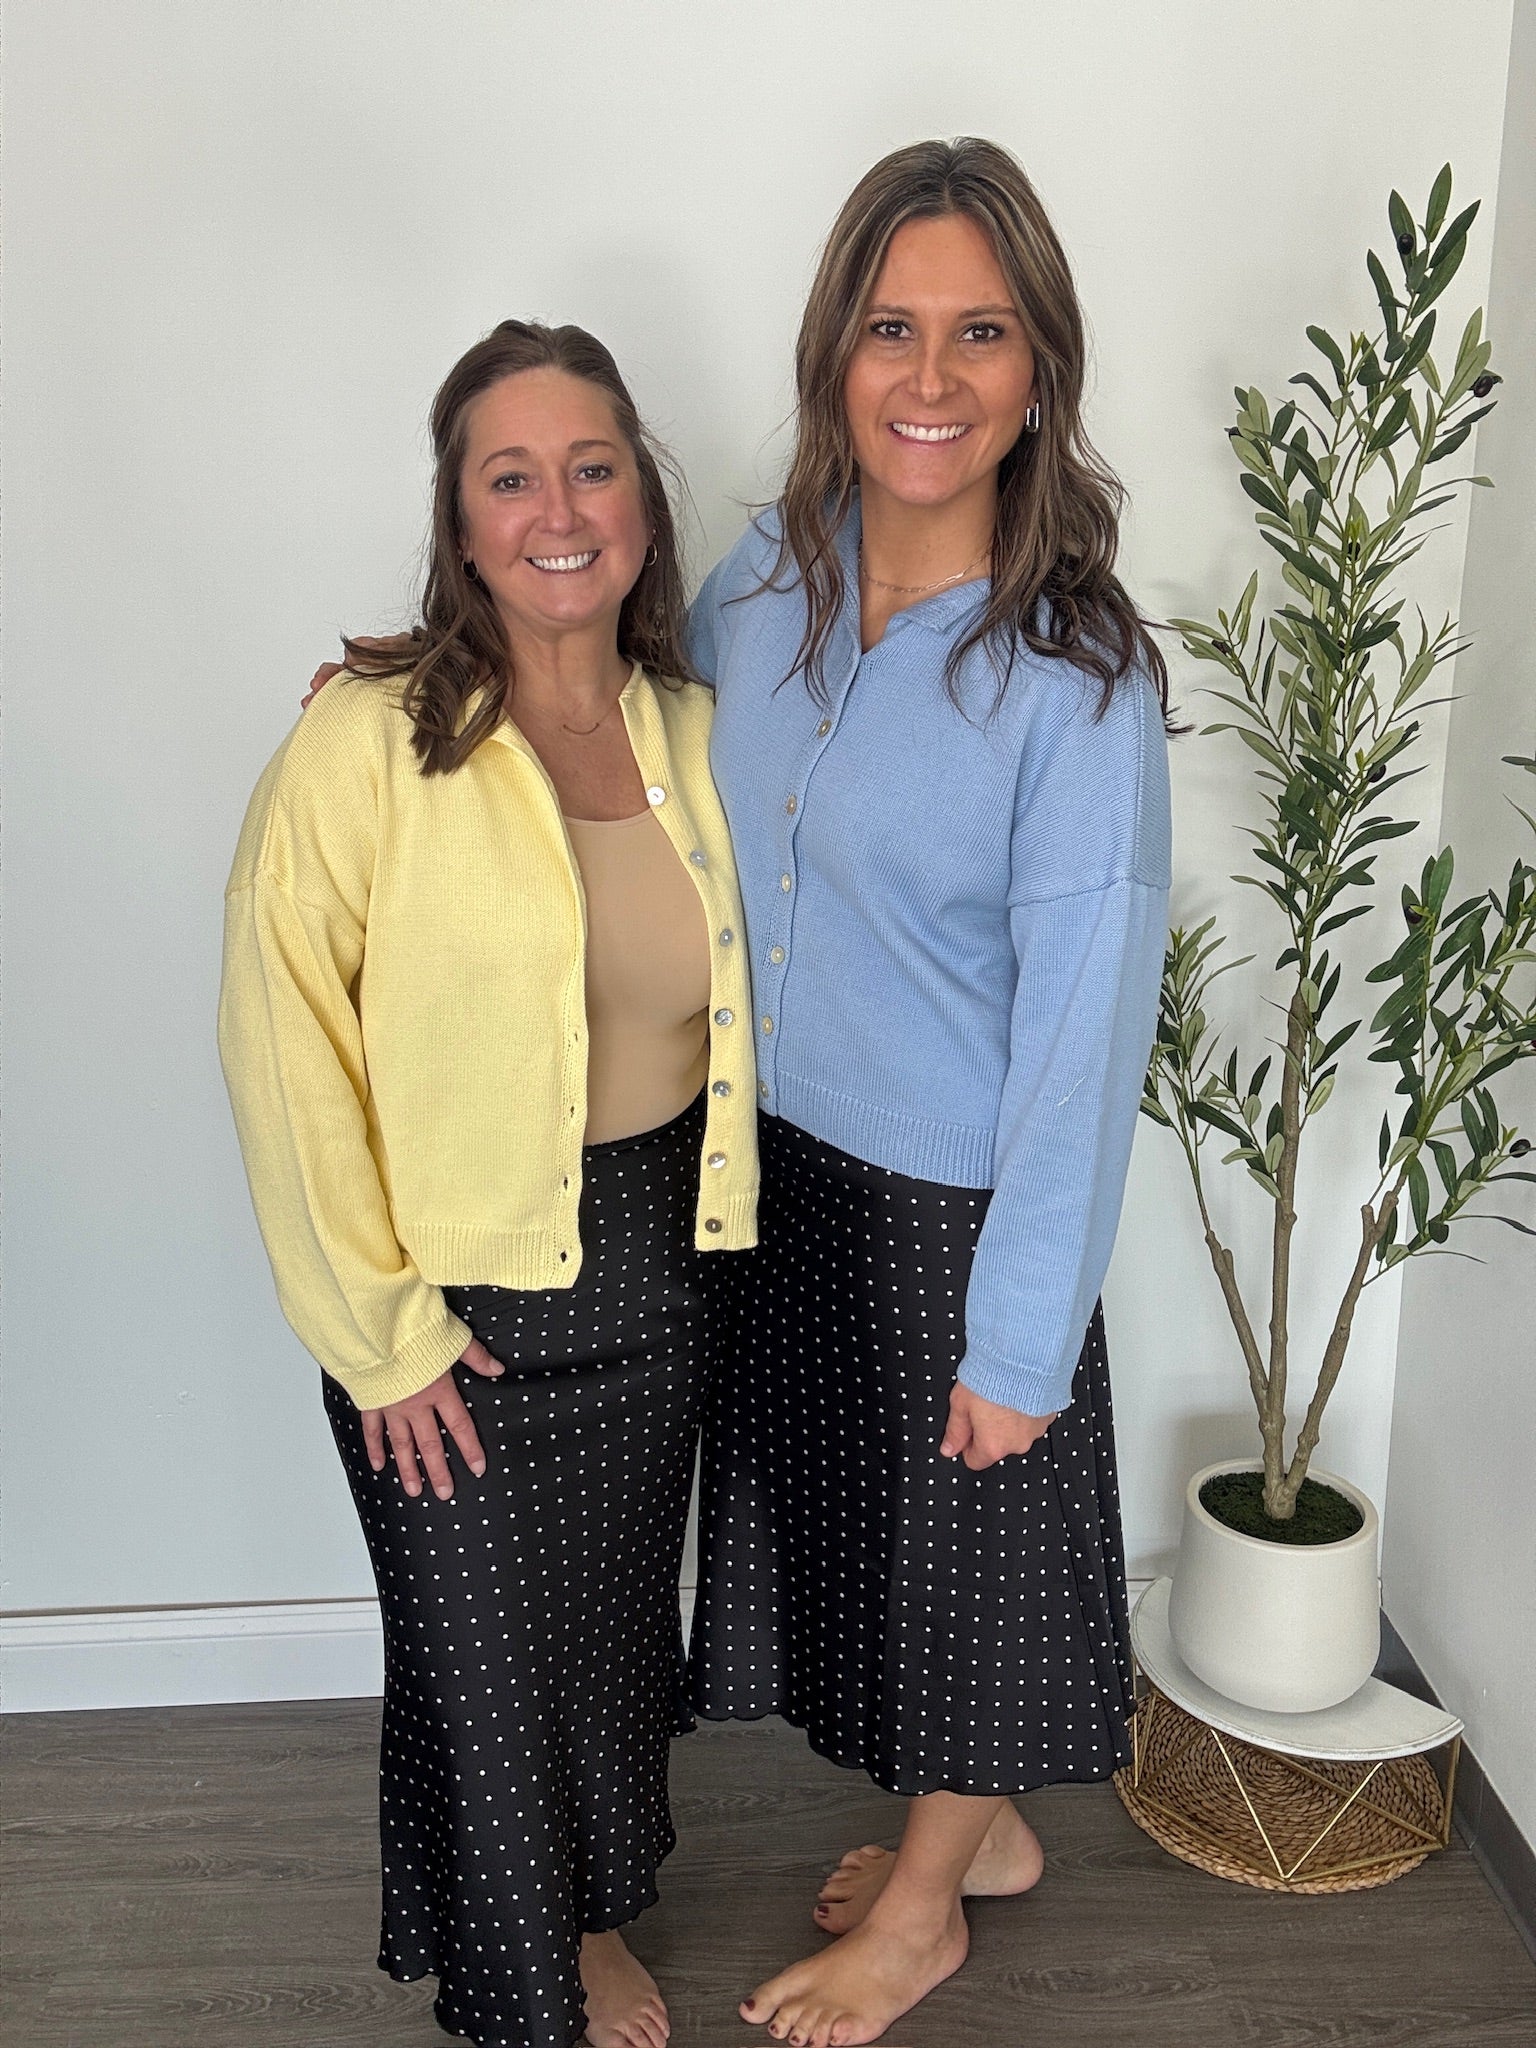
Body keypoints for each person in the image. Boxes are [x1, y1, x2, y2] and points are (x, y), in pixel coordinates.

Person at [685, 136, 1172, 2048]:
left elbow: (1087, 1037)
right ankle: (988, 1832)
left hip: (960, 1201)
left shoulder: (1075, 679)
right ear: (836, 351)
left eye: (981, 332)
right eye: (892, 328)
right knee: (878, 1566)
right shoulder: (764, 580)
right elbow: (614, 716)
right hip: (781, 1164)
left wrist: (1023, 1332)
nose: (931, 376)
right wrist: (426, 681)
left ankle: (926, 1908)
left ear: (1040, 369)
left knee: (970, 1569)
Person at [220, 319, 758, 2048]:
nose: (558, 510)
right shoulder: (368, 741)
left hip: (659, 1268)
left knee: (604, 1648)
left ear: (643, 504)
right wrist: (381, 1338)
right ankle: (517, 1988)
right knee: (480, 1672)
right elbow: (283, 1045)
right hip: (447, 1296)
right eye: (510, 477)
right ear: (460, 524)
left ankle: (587, 1921)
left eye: (591, 468)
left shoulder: (703, 732)